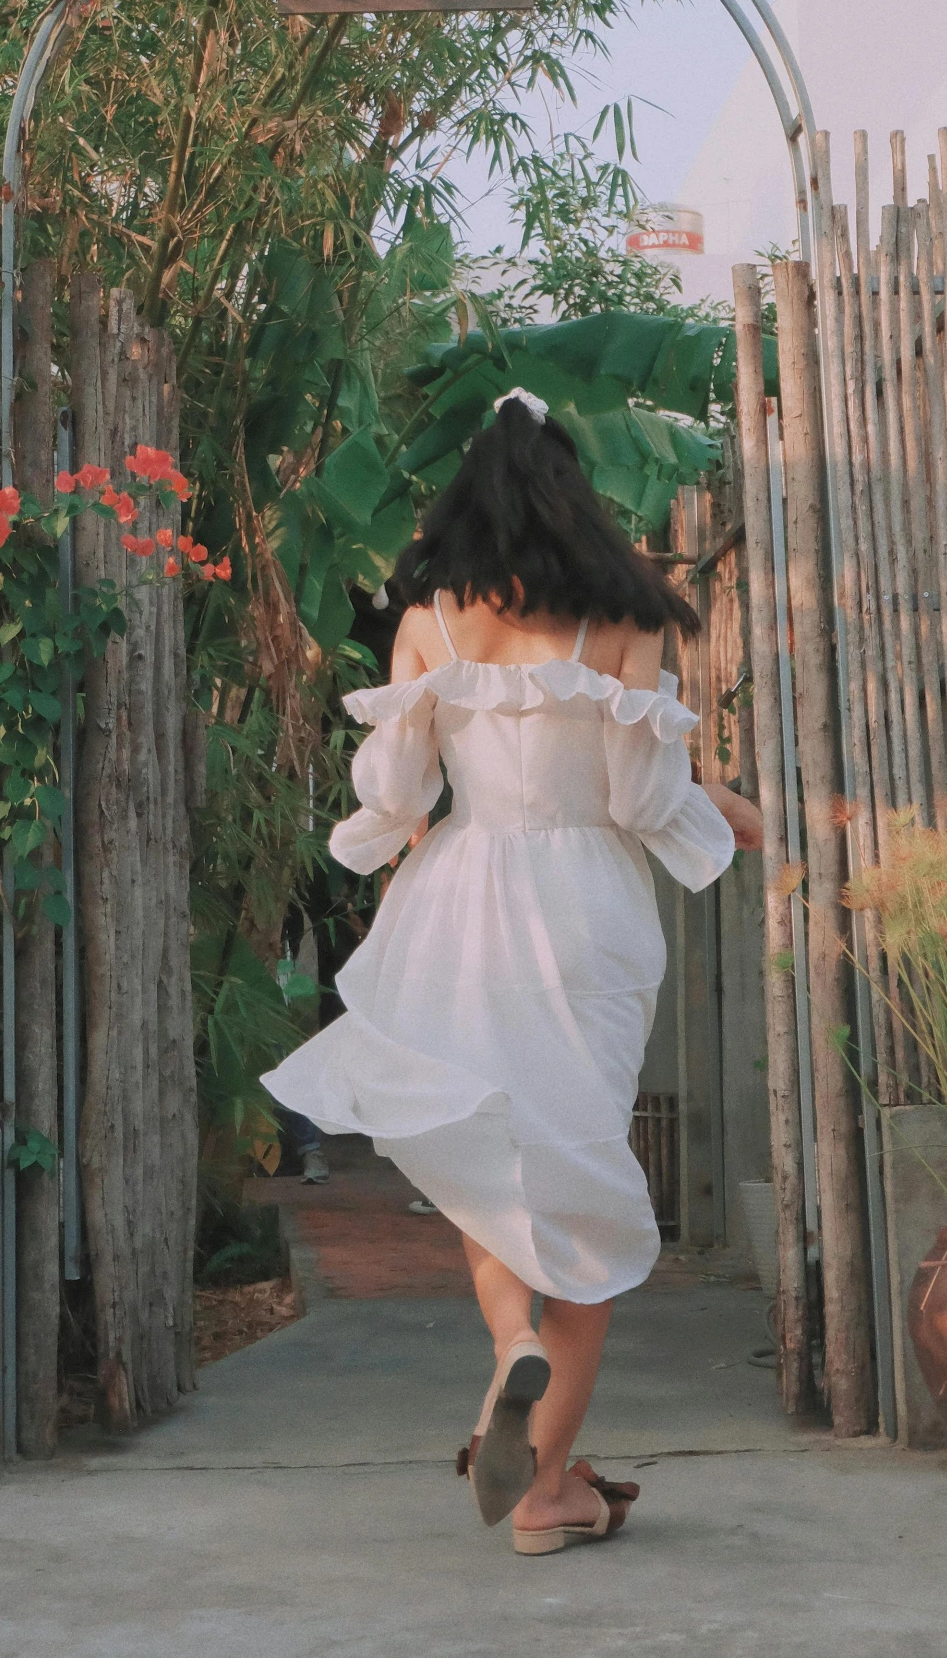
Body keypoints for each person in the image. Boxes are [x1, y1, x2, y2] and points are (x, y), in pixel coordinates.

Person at [264, 388, 762, 1555]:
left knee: (483, 1151)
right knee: (576, 1176)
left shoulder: (430, 624)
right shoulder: (629, 618)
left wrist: (392, 845)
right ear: (573, 496)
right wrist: (733, 813)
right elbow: (645, 800)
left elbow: (393, 796)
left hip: (463, 901)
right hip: (588, 910)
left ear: (466, 506)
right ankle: (546, 1494)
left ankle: (509, 1354)